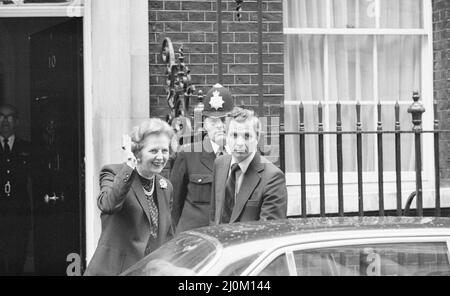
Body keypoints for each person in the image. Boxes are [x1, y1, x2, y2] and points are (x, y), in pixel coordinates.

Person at [85, 118, 175, 276]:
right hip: (114, 271)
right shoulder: (114, 173)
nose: (161, 157)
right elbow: (108, 205)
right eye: (153, 151)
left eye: (165, 150)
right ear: (137, 152)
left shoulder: (165, 186)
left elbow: (167, 235)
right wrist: (130, 165)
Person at [170, 83, 234, 234]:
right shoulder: (188, 154)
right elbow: (173, 204)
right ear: (205, 124)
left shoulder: (241, 156)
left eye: (224, 120)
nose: (220, 126)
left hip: (232, 238)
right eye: (213, 121)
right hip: (195, 240)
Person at [210, 107, 287, 225]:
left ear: (257, 138)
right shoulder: (219, 164)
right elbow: (214, 217)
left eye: (246, 136)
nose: (240, 143)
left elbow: (269, 232)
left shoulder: (273, 178)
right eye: (234, 135)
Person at [0, 104, 31, 276]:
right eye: (1, 116)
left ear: (16, 121)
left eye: (9, 116)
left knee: (17, 257)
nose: (5, 120)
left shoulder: (27, 148)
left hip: (19, 214)